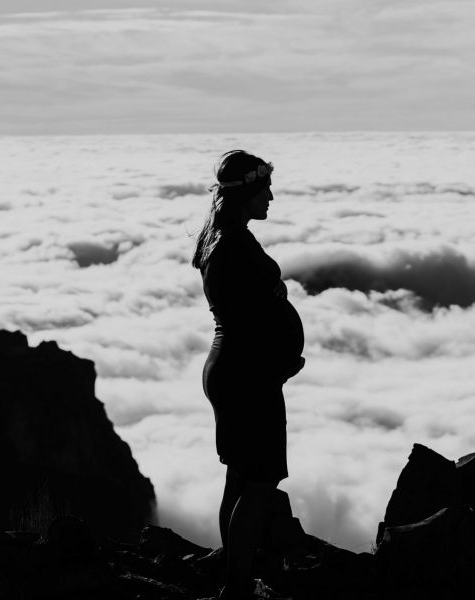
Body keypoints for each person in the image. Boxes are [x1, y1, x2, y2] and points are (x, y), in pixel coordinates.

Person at [192, 150, 305, 599]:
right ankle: (237, 590)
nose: (272, 197)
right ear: (247, 194)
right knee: (258, 485)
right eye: (266, 189)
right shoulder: (235, 244)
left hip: (233, 370)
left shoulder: (221, 237)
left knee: (239, 478)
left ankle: (234, 579)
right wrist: (277, 365)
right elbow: (253, 318)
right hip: (247, 375)